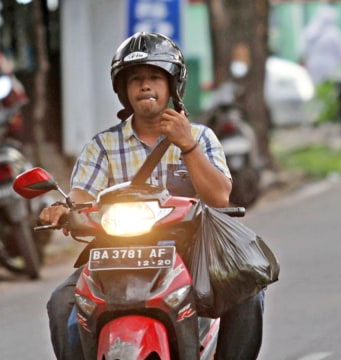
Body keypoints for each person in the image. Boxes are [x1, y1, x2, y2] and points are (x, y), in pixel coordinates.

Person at [38, 32, 264, 360]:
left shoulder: (201, 137)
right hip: (112, 254)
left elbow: (218, 198)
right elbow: (80, 198)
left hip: (193, 252)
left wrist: (187, 145)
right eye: (136, 79)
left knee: (247, 291)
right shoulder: (102, 146)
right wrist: (62, 209)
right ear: (123, 90)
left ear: (173, 87)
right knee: (62, 305)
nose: (145, 86)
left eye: (155, 77)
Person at [301, 5, 341, 85]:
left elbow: (304, 51)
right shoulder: (334, 33)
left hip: (313, 66)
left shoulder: (310, 32)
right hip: (330, 66)